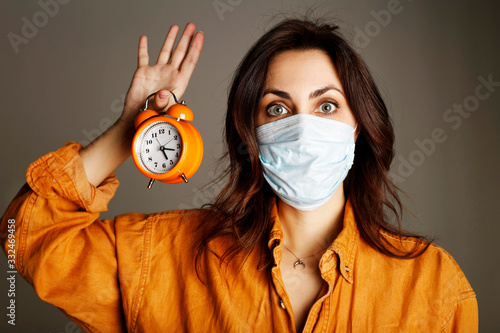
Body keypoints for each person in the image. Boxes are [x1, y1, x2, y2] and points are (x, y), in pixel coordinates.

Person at [1, 18, 477, 333]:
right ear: (251, 135)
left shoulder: (433, 286)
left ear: (360, 127)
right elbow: (23, 236)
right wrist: (135, 128)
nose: (304, 128)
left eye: (326, 105)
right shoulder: (166, 258)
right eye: (277, 108)